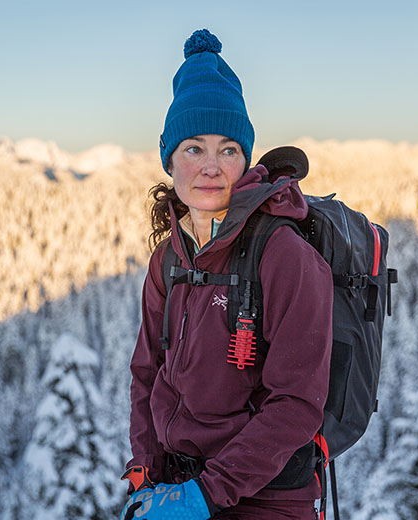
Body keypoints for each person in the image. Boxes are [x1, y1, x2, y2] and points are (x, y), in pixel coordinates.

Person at [122, 29, 333, 520]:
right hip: (179, 483)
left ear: (246, 159)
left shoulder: (282, 255)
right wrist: (145, 472)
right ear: (169, 159)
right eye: (194, 148)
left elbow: (297, 404)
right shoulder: (169, 261)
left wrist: (207, 495)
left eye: (228, 149)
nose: (211, 167)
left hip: (268, 497)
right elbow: (146, 374)